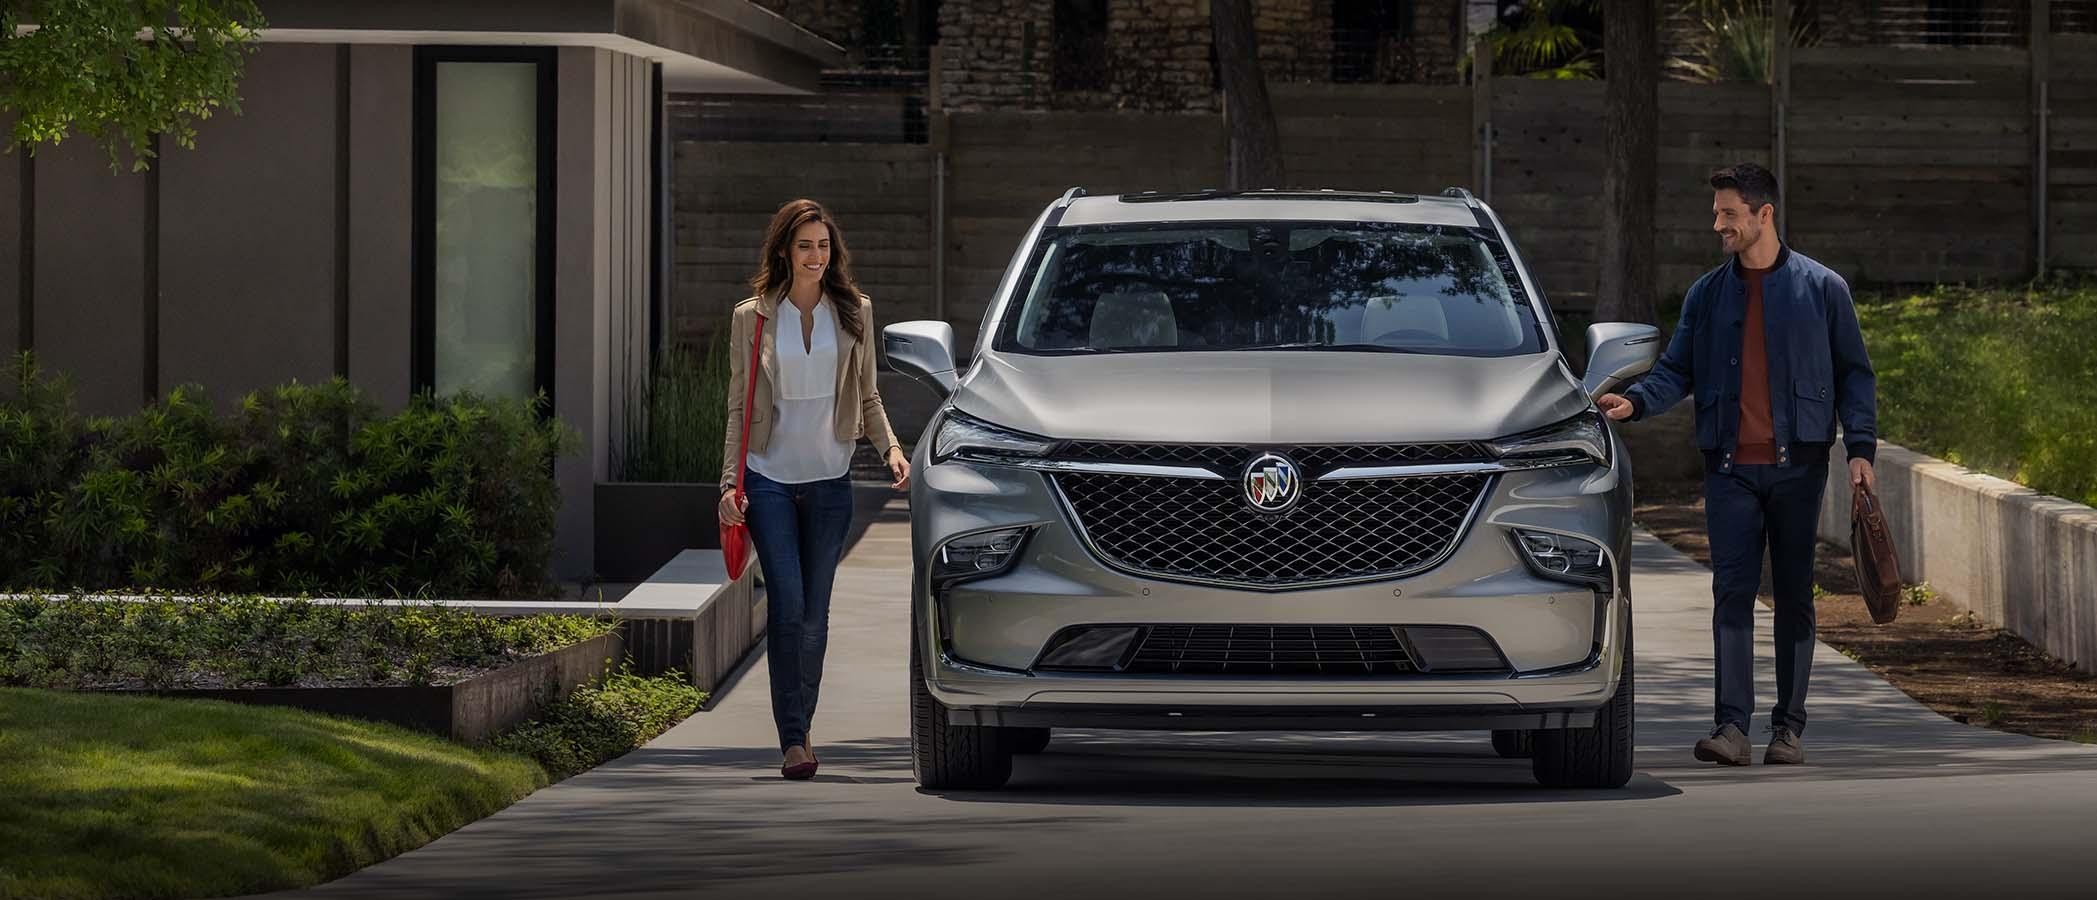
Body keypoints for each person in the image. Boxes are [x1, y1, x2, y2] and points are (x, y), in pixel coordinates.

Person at [1598, 162, 1878, 767]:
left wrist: (1861, 450)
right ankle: (1731, 728)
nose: (1717, 224)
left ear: (1763, 215)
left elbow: (1856, 374)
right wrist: (1638, 400)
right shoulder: (1707, 294)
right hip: (1728, 469)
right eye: (1717, 213)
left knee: (1796, 596)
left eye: (1728, 213)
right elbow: (1677, 369)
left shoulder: (1823, 290)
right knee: (1732, 592)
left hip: (1799, 467)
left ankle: (1789, 729)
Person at [718, 198, 910, 780]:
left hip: (830, 481)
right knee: (789, 603)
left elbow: (869, 395)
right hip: (768, 478)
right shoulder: (752, 317)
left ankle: (802, 722)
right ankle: (794, 741)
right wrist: (730, 483)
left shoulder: (854, 313)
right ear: (784, 251)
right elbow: (738, 405)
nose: (816, 256)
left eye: (823, 246)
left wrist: (893, 449)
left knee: (816, 614)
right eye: (805, 246)